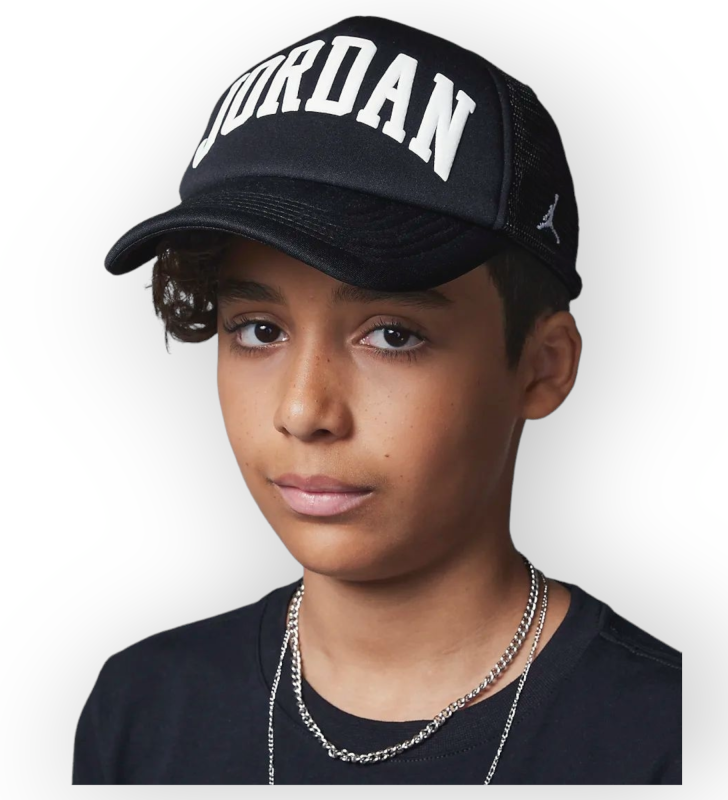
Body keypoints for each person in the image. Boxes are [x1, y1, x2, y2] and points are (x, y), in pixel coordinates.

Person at [72, 14, 681, 785]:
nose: (304, 411)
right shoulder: (143, 710)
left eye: (392, 335)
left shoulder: (670, 740)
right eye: (259, 330)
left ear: (542, 368)